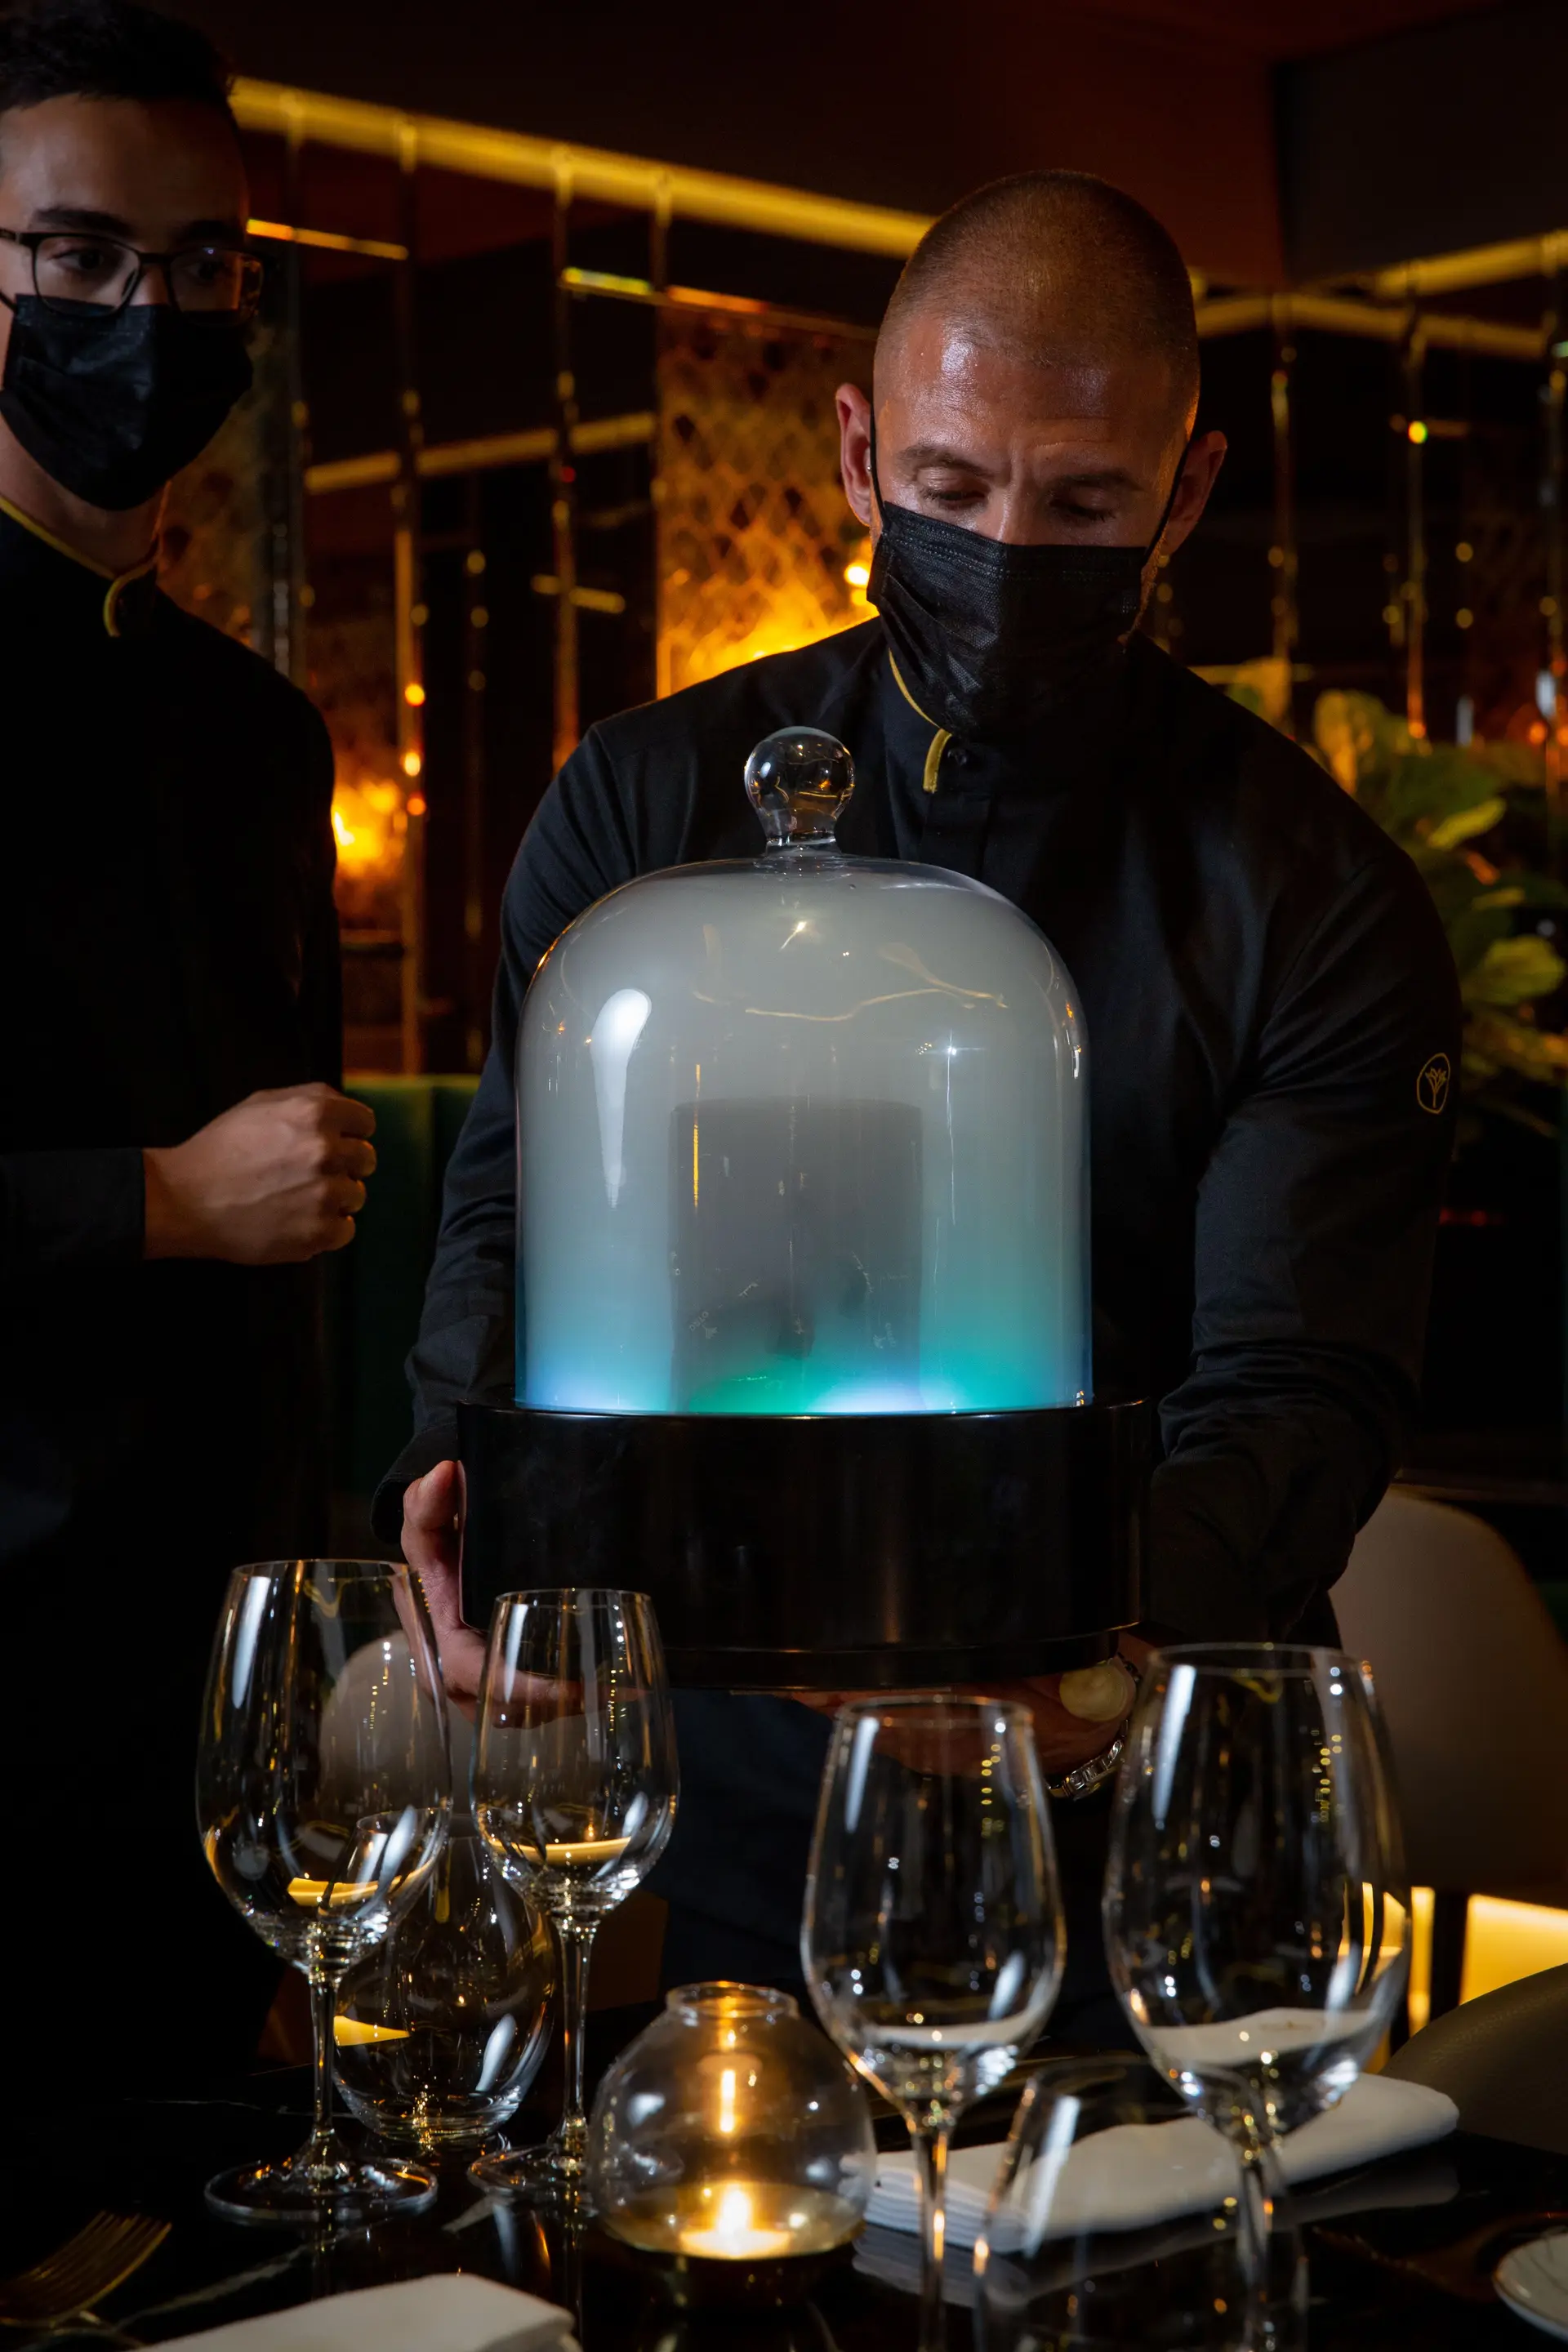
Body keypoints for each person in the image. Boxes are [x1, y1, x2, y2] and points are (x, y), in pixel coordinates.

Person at [381, 172, 1459, 2032]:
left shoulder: (1318, 893)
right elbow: (513, 1213)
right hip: (746, 1780)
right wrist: (464, 1490)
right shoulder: (643, 805)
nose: (1008, 549)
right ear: (860, 456)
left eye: (1085, 504)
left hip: (1158, 1789)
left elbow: (1298, 1382)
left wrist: (1089, 1671)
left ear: (1186, 491)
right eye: (953, 488)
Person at [0, 1, 374, 2094]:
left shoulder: (260, 735)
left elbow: (296, 1266)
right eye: (80, 256)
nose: (149, 318)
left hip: (216, 1703)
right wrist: (152, 1202)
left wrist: (316, 1671)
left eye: (202, 264)